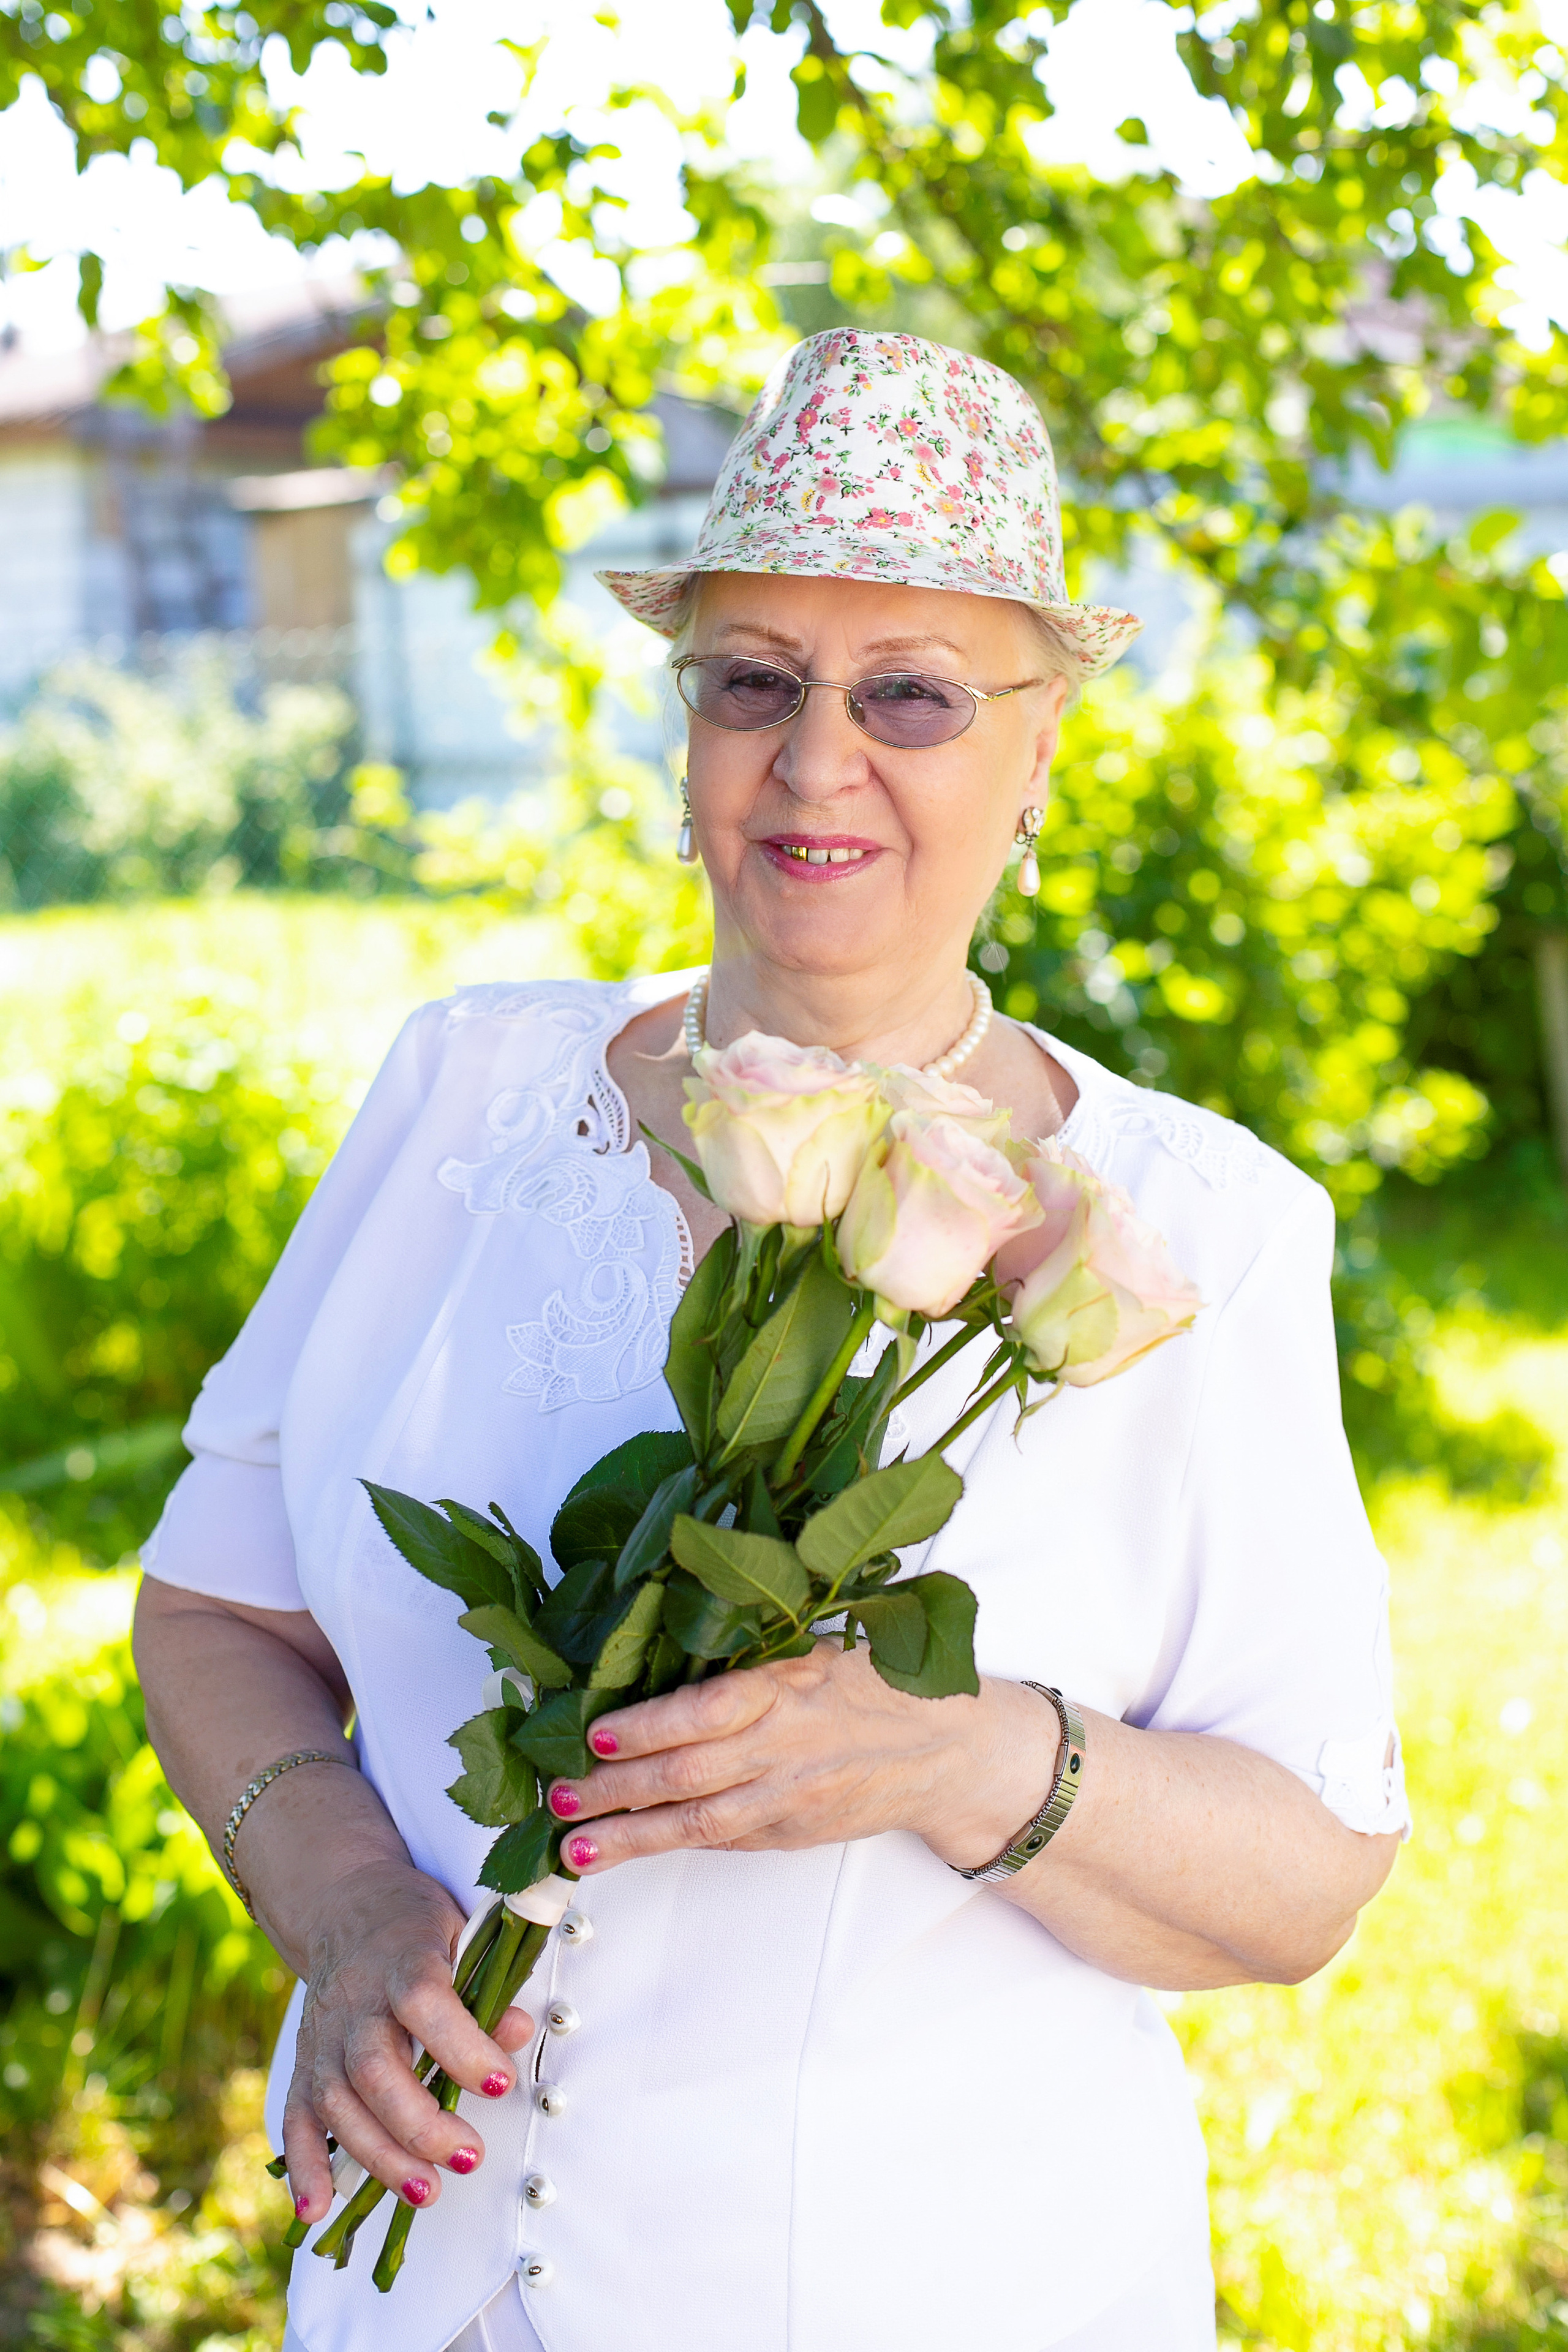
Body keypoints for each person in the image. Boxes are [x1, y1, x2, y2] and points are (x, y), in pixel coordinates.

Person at [133, 330, 1408, 2352]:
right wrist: (353, 1905)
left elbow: (1308, 1876)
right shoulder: (463, 1095)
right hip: (414, 2303)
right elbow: (217, 1611)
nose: (820, 762)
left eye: (910, 691)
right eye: (754, 685)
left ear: (1041, 750)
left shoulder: (1203, 1236)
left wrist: (955, 1752)